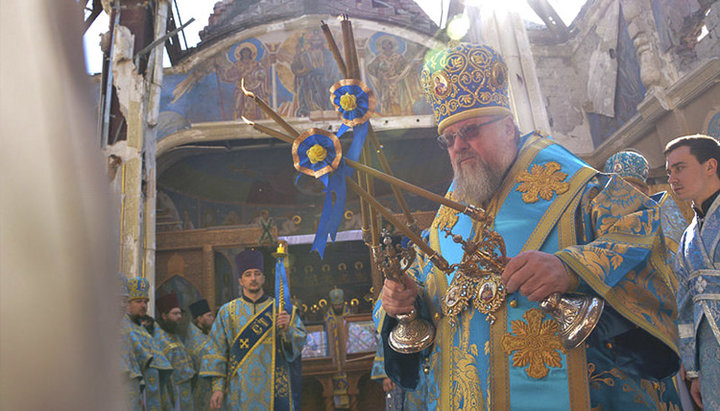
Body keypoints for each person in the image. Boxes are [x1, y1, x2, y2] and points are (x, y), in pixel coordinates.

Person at [377, 43, 681, 410]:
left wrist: (571, 269)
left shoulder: (582, 190)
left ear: (508, 128)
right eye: (449, 138)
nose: (459, 146)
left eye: (470, 130)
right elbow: (432, 306)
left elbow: (641, 234)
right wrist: (401, 304)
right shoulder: (447, 221)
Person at [201, 249, 307, 410]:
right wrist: (217, 388)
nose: (253, 278)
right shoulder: (227, 312)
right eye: (248, 274)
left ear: (263, 278)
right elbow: (216, 351)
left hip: (274, 389)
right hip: (240, 390)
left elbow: (299, 343)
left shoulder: (282, 310)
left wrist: (287, 331)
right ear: (240, 280)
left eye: (257, 274)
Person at [665, 134, 720, 410]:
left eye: (680, 168)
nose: (672, 179)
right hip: (712, 364)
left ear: (710, 166)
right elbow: (685, 305)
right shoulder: (687, 238)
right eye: (669, 172)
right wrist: (695, 370)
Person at [604, 150, 690, 291]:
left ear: (645, 192)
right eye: (617, 189)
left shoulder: (662, 217)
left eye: (630, 189)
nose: (623, 196)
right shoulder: (603, 221)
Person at [121, 277, 173, 411]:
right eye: (138, 302)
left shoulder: (142, 329)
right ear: (127, 303)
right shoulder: (122, 327)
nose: (144, 305)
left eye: (146, 302)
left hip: (151, 394)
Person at [154, 292, 197, 410]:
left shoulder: (174, 334)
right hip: (170, 392)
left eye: (180, 313)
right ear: (164, 315)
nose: (179, 317)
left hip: (184, 390)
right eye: (175, 313)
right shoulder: (158, 337)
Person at [187, 298, 215, 410]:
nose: (212, 319)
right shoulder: (194, 338)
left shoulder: (205, 334)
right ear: (199, 318)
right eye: (209, 316)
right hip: (198, 388)